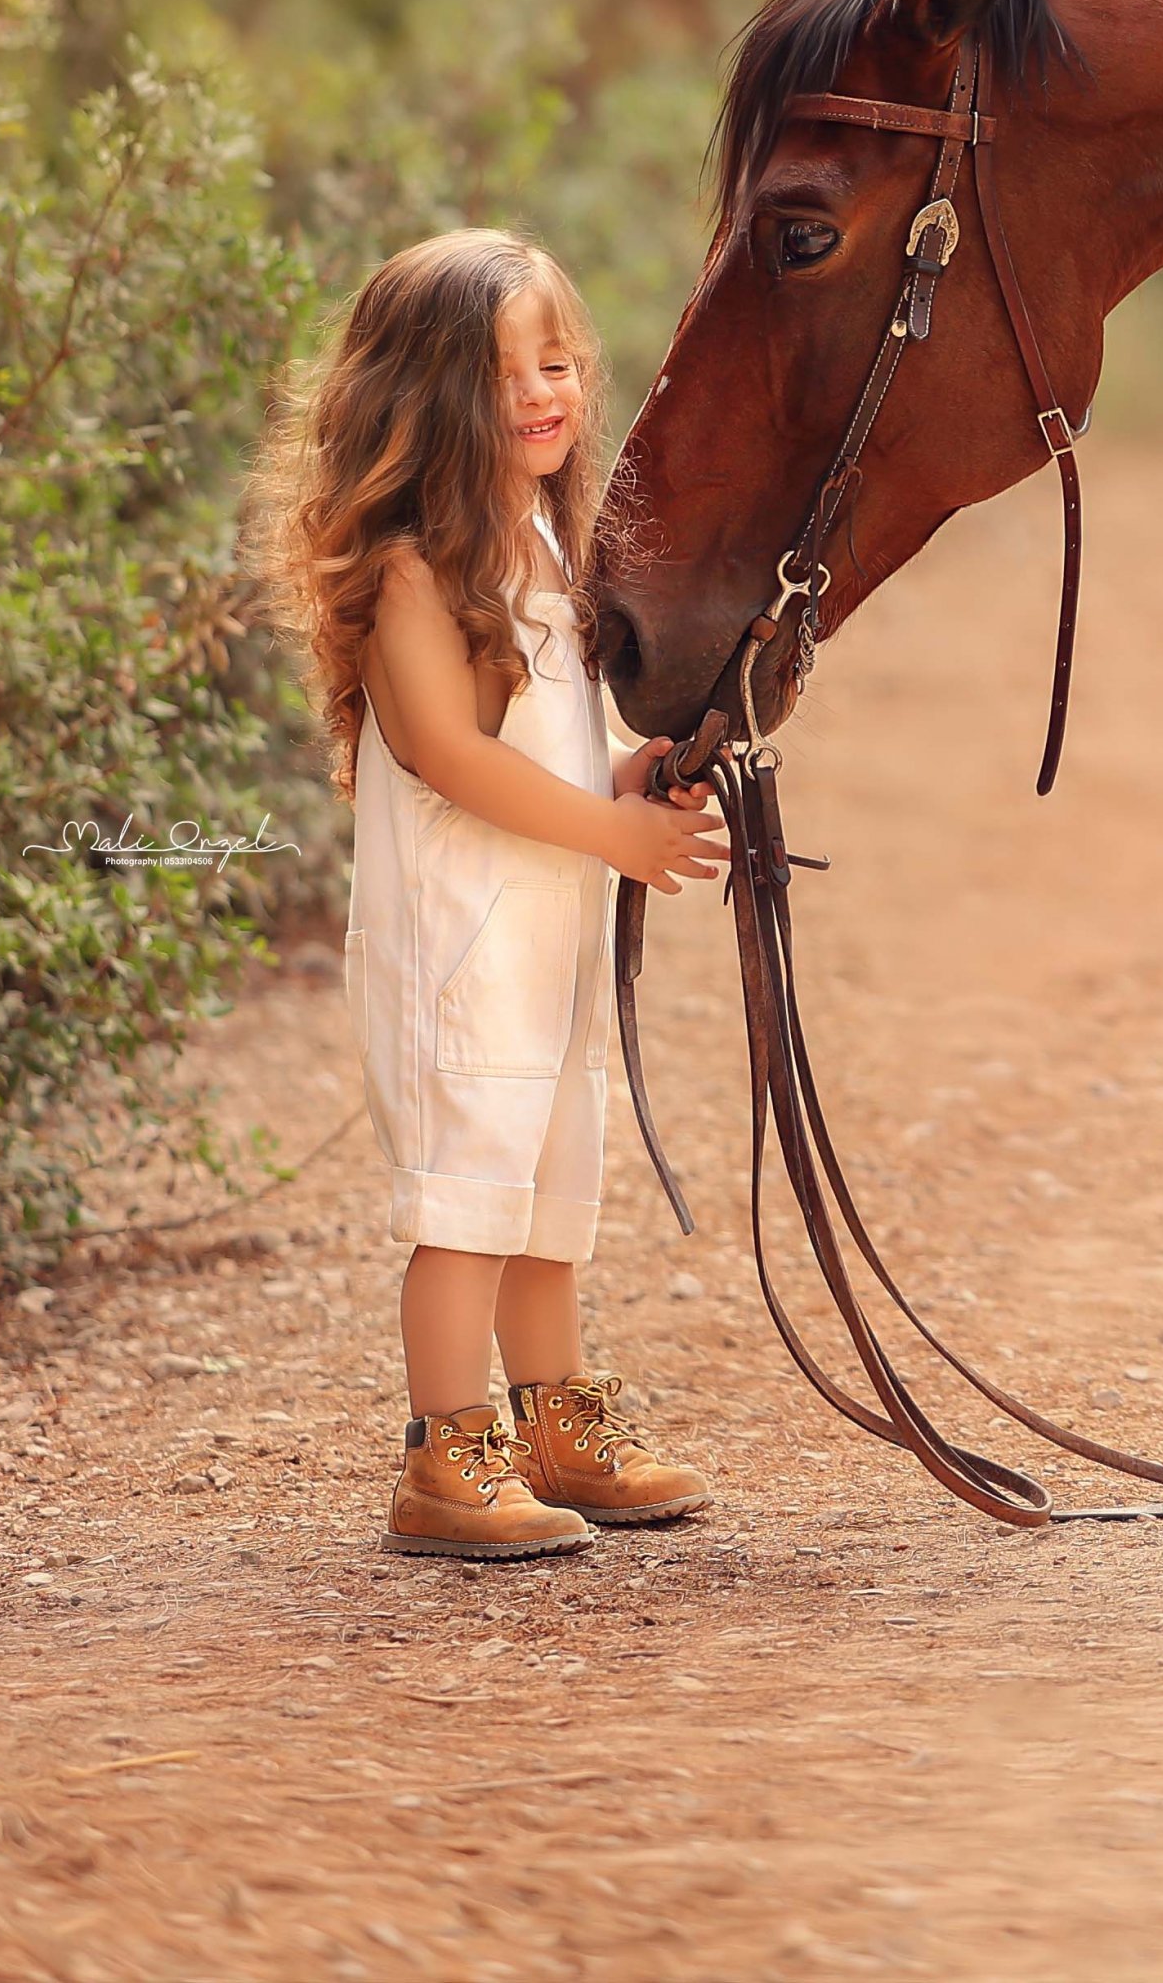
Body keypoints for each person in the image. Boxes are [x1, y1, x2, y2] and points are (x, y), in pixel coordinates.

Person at [251, 229, 731, 1558]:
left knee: (546, 1185)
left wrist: (634, 771)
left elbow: (548, 742)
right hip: (460, 949)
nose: (539, 392)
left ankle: (554, 1418)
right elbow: (453, 756)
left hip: (544, 936)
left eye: (555, 361)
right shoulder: (413, 566)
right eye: (498, 371)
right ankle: (447, 1451)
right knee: (468, 1199)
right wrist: (615, 834)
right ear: (417, 399)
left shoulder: (539, 541)